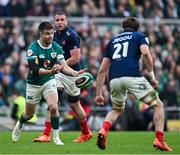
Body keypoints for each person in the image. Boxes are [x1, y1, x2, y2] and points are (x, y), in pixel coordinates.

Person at [95, 17, 172, 151]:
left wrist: (99, 93)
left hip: (114, 79)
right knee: (158, 105)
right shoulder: (139, 36)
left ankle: (103, 129)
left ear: (123, 27)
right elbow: (146, 53)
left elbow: (102, 70)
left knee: (117, 109)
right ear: (137, 28)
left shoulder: (112, 41)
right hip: (132, 76)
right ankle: (159, 140)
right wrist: (152, 76)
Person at [12, 21, 84, 145]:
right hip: (34, 83)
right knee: (29, 114)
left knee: (54, 107)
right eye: (47, 34)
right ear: (41, 34)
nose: (50, 36)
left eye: (51, 33)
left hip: (49, 81)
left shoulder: (56, 47)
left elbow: (64, 66)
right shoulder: (32, 48)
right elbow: (34, 69)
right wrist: (50, 70)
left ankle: (56, 137)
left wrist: (74, 73)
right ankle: (19, 124)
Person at [33, 12, 92, 143]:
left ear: (67, 21)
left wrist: (60, 65)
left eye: (62, 20)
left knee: (75, 104)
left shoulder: (73, 36)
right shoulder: (53, 35)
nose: (59, 22)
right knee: (53, 100)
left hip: (72, 74)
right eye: (57, 20)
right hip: (58, 74)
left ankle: (86, 132)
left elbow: (75, 58)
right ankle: (46, 134)